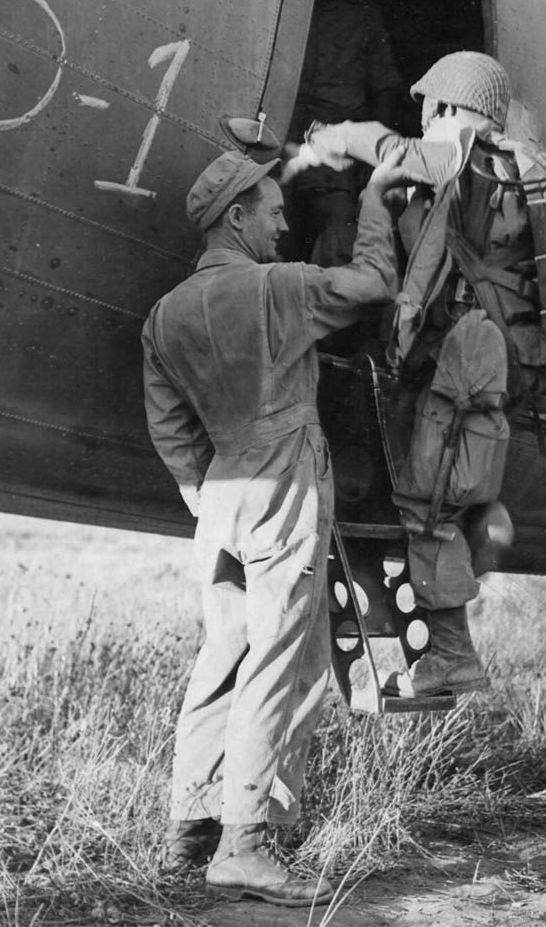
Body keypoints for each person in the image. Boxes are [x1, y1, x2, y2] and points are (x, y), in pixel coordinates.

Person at [282, 51, 546, 699]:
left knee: (429, 505)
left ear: (451, 108)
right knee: (459, 489)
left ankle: (452, 656)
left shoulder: (460, 151)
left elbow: (394, 149)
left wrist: (328, 140)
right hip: (491, 355)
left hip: (456, 353)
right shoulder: (515, 167)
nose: (422, 114)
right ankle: (486, 527)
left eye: (429, 104)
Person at [142, 146, 408, 905]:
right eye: (271, 211)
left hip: (222, 492)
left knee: (223, 652)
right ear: (236, 216)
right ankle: (245, 843)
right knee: (284, 662)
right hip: (283, 482)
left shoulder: (167, 314)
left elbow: (169, 430)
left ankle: (188, 827)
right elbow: (373, 284)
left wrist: (210, 494)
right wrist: (379, 201)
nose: (285, 222)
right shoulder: (276, 288)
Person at [282, 0, 404, 266]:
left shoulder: (362, 17)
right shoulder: (290, 4)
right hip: (284, 141)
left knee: (335, 245)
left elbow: (385, 89)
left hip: (336, 154)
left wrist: (374, 157)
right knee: (277, 242)